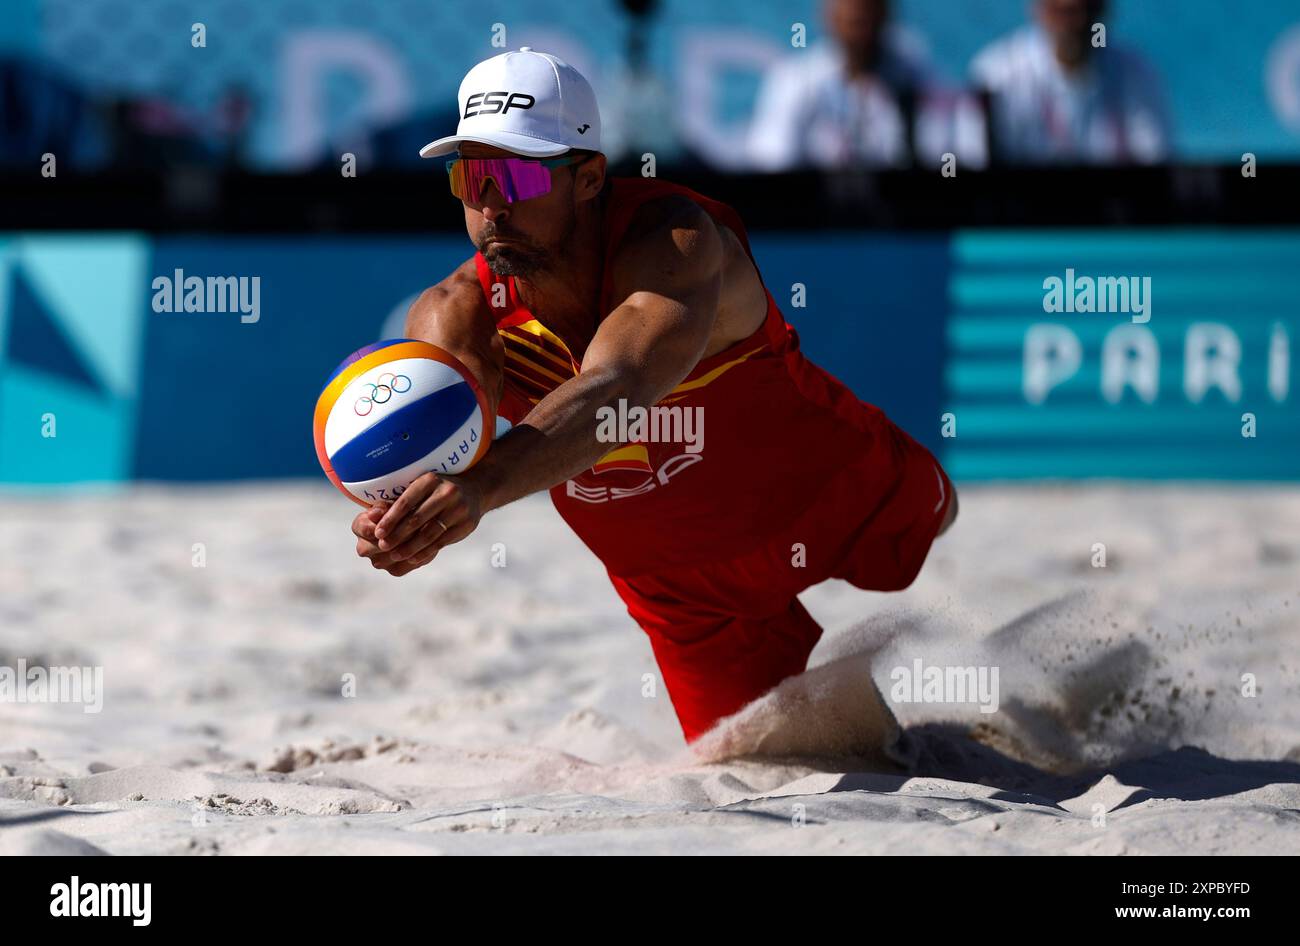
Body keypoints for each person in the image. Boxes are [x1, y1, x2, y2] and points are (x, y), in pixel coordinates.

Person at [351, 48, 957, 743]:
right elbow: (440, 441)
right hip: (679, 591)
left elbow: (618, 390)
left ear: (587, 178)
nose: (490, 203)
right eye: (469, 176)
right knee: (783, 763)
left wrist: (479, 489)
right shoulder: (455, 312)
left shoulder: (676, 242)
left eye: (514, 173)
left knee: (939, 519)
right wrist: (400, 512)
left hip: (821, 485)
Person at [969, 0, 1172, 164]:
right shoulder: (995, 76)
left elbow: (1157, 173)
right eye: (1063, 13)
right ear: (1037, 8)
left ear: (1103, 10)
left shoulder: (1137, 74)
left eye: (1084, 9)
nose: (1076, 24)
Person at [746, 0, 936, 170]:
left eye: (867, 12)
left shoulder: (916, 77)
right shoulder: (795, 80)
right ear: (829, 15)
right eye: (853, 18)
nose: (860, 20)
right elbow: (770, 164)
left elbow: (942, 159)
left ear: (885, 13)